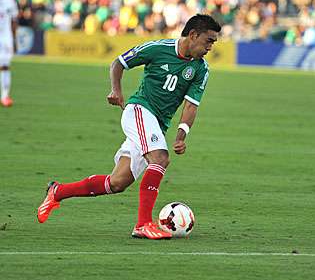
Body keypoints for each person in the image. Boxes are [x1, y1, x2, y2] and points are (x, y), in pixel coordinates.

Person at [37, 14, 221, 240]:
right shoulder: (157, 48)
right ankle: (143, 224)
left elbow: (191, 106)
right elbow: (119, 63)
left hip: (156, 125)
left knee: (117, 182)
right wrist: (116, 90)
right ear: (193, 35)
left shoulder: (201, 69)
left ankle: (58, 191)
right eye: (209, 41)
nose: (210, 47)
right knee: (160, 159)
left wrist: (182, 135)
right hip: (139, 111)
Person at [0, 0, 18, 107]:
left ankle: (5, 96)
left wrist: (14, 39)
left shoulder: (10, 1)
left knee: (5, 66)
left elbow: (14, 21)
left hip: (5, 38)